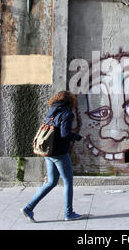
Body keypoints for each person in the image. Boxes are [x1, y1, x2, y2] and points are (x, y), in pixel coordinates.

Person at [21, 90, 83, 222]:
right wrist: (76, 137)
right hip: (59, 153)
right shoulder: (66, 113)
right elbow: (64, 134)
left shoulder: (52, 111)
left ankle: (29, 208)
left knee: (51, 182)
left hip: (47, 151)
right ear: (70, 101)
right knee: (68, 182)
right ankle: (69, 213)